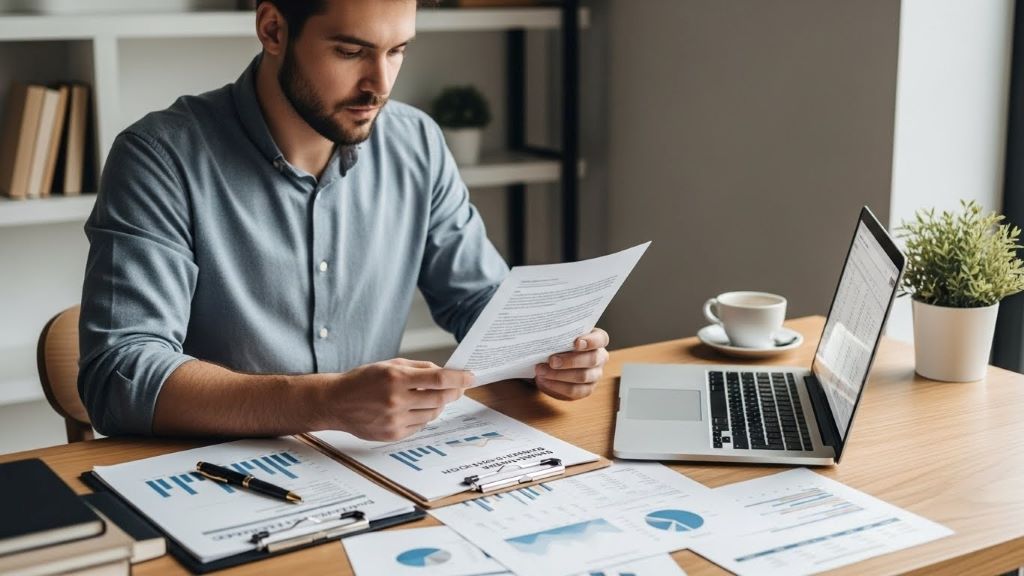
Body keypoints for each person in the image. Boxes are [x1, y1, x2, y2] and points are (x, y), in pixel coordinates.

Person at [78, 0, 609, 441]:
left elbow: (477, 300)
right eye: (351, 51)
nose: (379, 84)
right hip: (213, 476)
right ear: (273, 29)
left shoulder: (415, 141)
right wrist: (326, 401)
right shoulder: (160, 157)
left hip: (372, 471)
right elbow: (119, 375)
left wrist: (548, 351)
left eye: (397, 51)